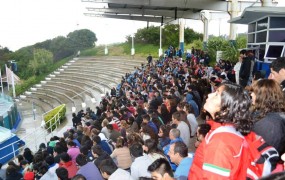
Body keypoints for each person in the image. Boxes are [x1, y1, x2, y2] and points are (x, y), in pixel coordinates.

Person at [189, 83, 252, 179]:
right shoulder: (223, 130)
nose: (210, 95)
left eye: (216, 94)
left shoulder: (220, 142)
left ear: (225, 109)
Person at [250, 79, 285, 157]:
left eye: (254, 92)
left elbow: (262, 153)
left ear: (263, 96)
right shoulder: (274, 117)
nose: (251, 95)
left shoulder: (269, 123)